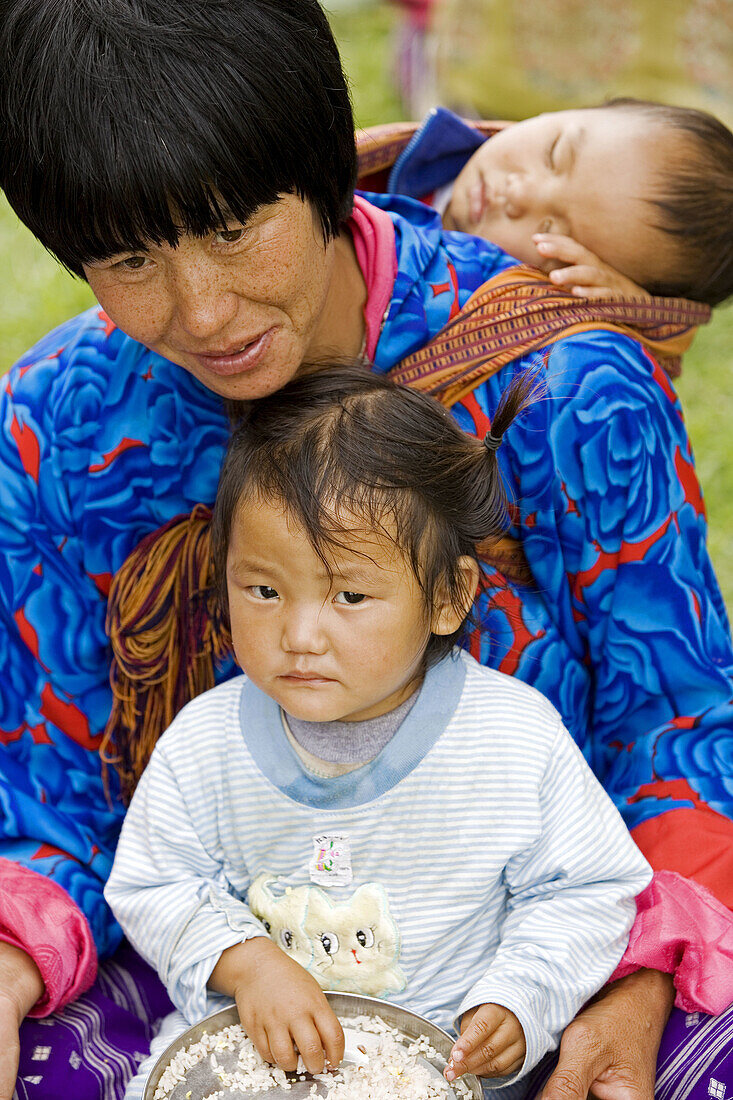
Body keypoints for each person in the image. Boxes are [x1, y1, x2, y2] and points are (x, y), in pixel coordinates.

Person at [0, 2, 732, 1099]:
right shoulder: (56, 427)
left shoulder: (564, 387)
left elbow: (677, 726)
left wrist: (624, 994)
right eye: (128, 255)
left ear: (321, 167)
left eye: (234, 226)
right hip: (208, 979)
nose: (202, 310)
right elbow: (49, 791)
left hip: (539, 967)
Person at [105, 363, 654, 1097]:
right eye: (263, 590)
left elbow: (587, 889)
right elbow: (155, 883)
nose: (299, 634)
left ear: (447, 597)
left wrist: (520, 998)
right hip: (252, 1070)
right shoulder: (206, 744)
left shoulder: (508, 739)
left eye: (351, 594)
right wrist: (246, 963)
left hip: (449, 1072)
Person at [385, 101, 733, 303]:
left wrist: (638, 321)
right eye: (554, 153)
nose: (518, 194)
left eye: (550, 233)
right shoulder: (399, 157)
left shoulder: (458, 312)